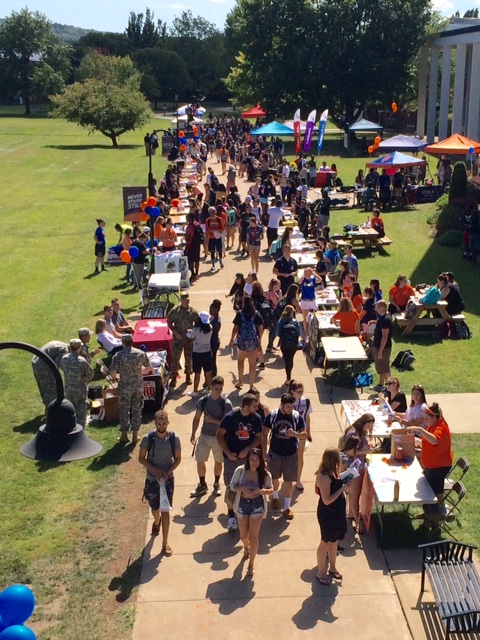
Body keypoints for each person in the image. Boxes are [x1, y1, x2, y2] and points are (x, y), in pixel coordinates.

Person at [216, 394, 263, 531]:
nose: (257, 407)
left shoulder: (256, 418)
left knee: (249, 486)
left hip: (249, 460)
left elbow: (259, 437)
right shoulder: (230, 417)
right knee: (232, 487)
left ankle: (246, 514)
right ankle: (231, 518)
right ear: (246, 406)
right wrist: (228, 453)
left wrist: (248, 450)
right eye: (254, 405)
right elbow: (219, 435)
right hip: (232, 459)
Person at [139, 409, 181, 555]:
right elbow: (141, 458)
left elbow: (178, 459)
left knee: (165, 510)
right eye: (158, 424)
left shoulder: (174, 438)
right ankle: (156, 522)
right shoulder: (148, 438)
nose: (161, 426)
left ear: (168, 423)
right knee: (155, 508)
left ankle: (165, 543)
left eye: (164, 424)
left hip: (167, 480)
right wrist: (156, 471)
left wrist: (167, 473)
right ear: (155, 423)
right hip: (152, 479)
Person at [230, 448, 273, 577]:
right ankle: (246, 547)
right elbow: (232, 486)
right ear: (248, 459)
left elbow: (271, 489)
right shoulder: (240, 471)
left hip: (257, 506)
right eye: (252, 459)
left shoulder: (265, 474)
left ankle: (251, 564)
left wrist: (263, 492)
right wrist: (242, 488)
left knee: (254, 536)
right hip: (242, 505)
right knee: (244, 536)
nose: (254, 462)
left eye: (257, 460)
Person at [264, 393, 307, 519]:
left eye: (292, 406)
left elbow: (304, 434)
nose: (290, 409)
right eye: (288, 407)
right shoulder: (272, 416)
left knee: (289, 480)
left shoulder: (296, 417)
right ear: (282, 405)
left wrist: (294, 434)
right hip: (275, 452)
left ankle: (287, 507)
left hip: (291, 454)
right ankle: (275, 496)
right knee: (274, 477)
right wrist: (264, 451)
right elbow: (264, 434)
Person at [406, 402, 453, 519]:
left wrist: (420, 430)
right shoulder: (433, 425)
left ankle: (435, 518)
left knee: (434, 494)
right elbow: (429, 441)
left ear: (435, 417)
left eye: (427, 418)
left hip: (438, 467)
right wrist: (419, 442)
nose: (425, 420)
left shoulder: (440, 428)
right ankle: (428, 514)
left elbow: (435, 440)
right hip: (432, 465)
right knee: (428, 491)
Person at [190, 376, 233, 498]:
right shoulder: (203, 401)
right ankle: (202, 484)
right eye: (216, 388)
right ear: (211, 388)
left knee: (218, 461)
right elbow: (197, 417)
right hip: (204, 435)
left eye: (220, 388)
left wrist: (213, 420)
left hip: (219, 438)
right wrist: (193, 433)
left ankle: (216, 484)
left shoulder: (226, 404)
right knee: (200, 460)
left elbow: (228, 423)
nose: (218, 391)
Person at [315, 448, 349, 585]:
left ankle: (333, 567)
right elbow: (326, 500)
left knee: (334, 541)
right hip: (328, 513)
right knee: (326, 542)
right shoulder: (323, 476)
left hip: (337, 511)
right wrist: (342, 489)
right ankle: (321, 572)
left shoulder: (334, 471)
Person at [110, 334, 152, 444]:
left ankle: (124, 435)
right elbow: (149, 368)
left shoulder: (118, 355)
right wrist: (140, 372)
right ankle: (135, 435)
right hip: (138, 386)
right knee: (137, 409)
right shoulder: (140, 353)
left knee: (124, 410)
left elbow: (113, 373)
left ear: (123, 343)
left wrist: (116, 378)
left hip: (124, 387)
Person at [342, 413, 375, 533]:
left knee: (354, 494)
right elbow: (348, 452)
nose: (369, 428)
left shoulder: (362, 432)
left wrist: (368, 446)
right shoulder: (353, 433)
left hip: (359, 467)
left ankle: (351, 514)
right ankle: (357, 521)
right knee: (354, 495)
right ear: (363, 422)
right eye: (368, 425)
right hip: (352, 469)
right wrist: (365, 450)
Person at [230, 296, 264, 391]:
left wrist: (232, 339)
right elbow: (260, 327)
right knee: (252, 364)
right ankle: (251, 385)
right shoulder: (256, 313)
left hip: (242, 341)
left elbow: (235, 328)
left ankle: (240, 381)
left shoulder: (240, 314)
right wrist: (259, 338)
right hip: (253, 342)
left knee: (241, 361)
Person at [167, 293, 199, 388]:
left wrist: (193, 332)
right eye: (185, 300)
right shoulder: (175, 311)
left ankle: (188, 376)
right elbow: (169, 322)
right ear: (181, 301)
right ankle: (174, 377)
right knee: (175, 359)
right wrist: (175, 332)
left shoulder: (192, 312)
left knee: (189, 358)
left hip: (188, 340)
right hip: (178, 339)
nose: (187, 301)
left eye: (188, 300)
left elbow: (197, 323)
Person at [60, 339, 94, 427]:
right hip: (80, 390)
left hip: (68, 389)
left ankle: (70, 428)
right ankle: (80, 433)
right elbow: (90, 374)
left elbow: (63, 369)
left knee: (70, 411)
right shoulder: (81, 360)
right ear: (79, 347)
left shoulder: (64, 358)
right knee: (81, 413)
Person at [289, 380, 313, 491]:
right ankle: (289, 478)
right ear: (292, 391)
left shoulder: (306, 401)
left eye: (302, 391)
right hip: (290, 433)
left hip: (301, 432)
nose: (301, 394)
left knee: (300, 457)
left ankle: (298, 480)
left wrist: (309, 432)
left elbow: (307, 417)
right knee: (290, 456)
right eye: (298, 392)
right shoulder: (287, 401)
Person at [31, 340, 69, 409]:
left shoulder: (62, 345)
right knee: (51, 389)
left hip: (36, 361)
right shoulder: (64, 351)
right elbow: (55, 367)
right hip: (44, 366)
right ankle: (51, 410)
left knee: (43, 387)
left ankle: (47, 406)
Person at [186, 312, 213, 398]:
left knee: (197, 373)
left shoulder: (196, 329)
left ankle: (195, 391)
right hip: (207, 352)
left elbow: (191, 336)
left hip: (197, 353)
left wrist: (189, 333)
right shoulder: (210, 328)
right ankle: (209, 389)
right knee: (208, 372)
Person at [276, 305, 302, 384]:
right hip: (293, 344)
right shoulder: (295, 322)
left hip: (284, 344)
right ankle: (289, 376)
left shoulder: (281, 321)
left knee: (286, 360)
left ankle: (288, 376)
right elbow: (299, 333)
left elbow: (278, 333)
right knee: (290, 359)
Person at [371, 300, 393, 392]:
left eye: (376, 306)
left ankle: (391, 388)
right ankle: (381, 385)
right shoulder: (384, 317)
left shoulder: (385, 320)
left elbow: (384, 337)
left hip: (383, 348)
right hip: (379, 347)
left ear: (381, 307)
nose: (375, 308)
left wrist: (380, 351)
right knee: (381, 367)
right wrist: (375, 322)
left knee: (385, 368)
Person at [298, 267, 322, 332]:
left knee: (317, 315)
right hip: (304, 300)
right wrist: (303, 274)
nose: (308, 273)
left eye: (309, 272)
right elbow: (299, 282)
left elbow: (320, 279)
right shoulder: (303, 280)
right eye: (307, 272)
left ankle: (319, 330)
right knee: (305, 318)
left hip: (312, 300)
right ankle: (306, 332)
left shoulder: (313, 279)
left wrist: (314, 273)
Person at [184, 213, 203, 282]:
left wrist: (185, 239)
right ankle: (197, 273)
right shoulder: (197, 224)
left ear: (190, 218)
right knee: (197, 259)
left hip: (191, 245)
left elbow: (187, 236)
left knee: (190, 260)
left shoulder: (190, 226)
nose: (186, 219)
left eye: (187, 217)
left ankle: (193, 274)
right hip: (197, 245)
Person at [206, 206, 225, 271]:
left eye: (212, 212)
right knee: (212, 251)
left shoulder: (219, 219)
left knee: (219, 250)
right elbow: (207, 230)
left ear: (215, 212)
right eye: (210, 212)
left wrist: (217, 230)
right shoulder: (208, 220)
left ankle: (221, 262)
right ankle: (213, 265)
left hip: (218, 237)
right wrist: (211, 231)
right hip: (211, 237)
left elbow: (222, 228)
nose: (211, 214)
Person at [209, 299, 222, 377]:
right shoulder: (213, 317)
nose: (210, 311)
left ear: (217, 310)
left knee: (212, 361)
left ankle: (213, 377)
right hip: (212, 341)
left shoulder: (216, 321)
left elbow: (212, 332)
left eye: (211, 309)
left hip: (213, 342)